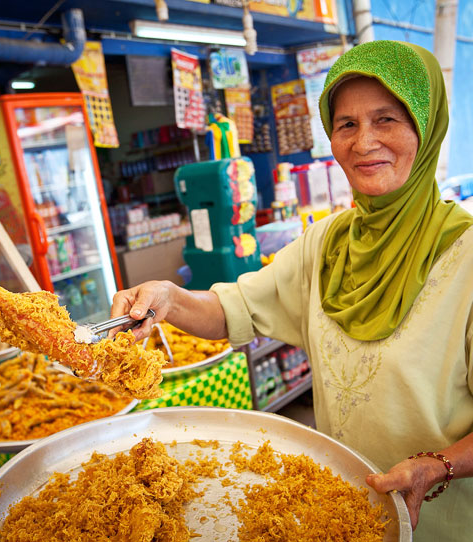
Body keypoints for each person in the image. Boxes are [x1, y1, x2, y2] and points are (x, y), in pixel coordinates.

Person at [111, 40, 473, 541]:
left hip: (440, 524)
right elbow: (233, 309)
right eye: (346, 124)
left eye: (387, 119)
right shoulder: (326, 243)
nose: (364, 142)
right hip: (343, 516)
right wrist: (170, 298)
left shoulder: (467, 259)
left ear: (427, 128)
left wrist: (437, 465)